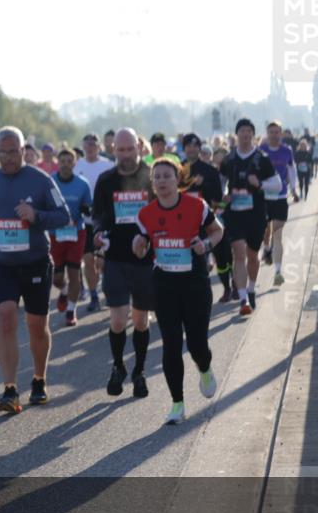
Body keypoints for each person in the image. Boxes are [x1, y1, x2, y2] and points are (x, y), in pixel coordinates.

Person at [0, 126, 70, 414]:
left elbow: (63, 215)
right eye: (2, 152)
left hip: (35, 262)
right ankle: (9, 389)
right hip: (0, 263)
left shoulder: (40, 179)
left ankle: (39, 379)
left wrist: (35, 215)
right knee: (5, 317)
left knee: (36, 325)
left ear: (23, 150)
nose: (8, 158)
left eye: (13, 152)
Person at [133, 158, 223, 424]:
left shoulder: (197, 206)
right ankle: (177, 404)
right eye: (156, 177)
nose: (161, 181)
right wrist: (138, 244)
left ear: (177, 178)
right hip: (164, 285)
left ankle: (204, 368)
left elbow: (218, 231)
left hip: (195, 283)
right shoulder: (146, 214)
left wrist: (205, 245)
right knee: (171, 345)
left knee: (197, 345)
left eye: (166, 176)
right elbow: (139, 249)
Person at [92, 128, 155, 399]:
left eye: (130, 149)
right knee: (118, 320)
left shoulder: (151, 178)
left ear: (139, 148)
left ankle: (139, 372)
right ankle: (118, 366)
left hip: (144, 259)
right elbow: (98, 216)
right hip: (116, 257)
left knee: (141, 319)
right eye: (121, 150)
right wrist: (97, 235)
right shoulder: (106, 180)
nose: (126, 155)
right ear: (113, 149)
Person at [219, 118, 280, 315]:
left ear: (253, 135)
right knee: (239, 253)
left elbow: (277, 185)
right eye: (242, 132)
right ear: (237, 135)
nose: (245, 135)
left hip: (256, 214)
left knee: (253, 256)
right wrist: (223, 197)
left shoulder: (261, 158)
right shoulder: (228, 159)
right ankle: (243, 299)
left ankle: (251, 288)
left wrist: (260, 183)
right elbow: (220, 184)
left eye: (248, 132)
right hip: (235, 214)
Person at [182, 133, 233, 302]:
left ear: (199, 148)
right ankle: (194, 294)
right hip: (184, 222)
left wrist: (204, 184)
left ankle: (227, 287)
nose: (191, 149)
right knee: (193, 259)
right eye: (188, 146)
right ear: (184, 149)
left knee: (222, 255)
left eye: (195, 146)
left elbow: (218, 197)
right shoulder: (178, 170)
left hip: (208, 220)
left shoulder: (210, 170)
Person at [50, 148, 93, 326]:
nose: (66, 165)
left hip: (77, 232)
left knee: (74, 272)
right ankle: (65, 290)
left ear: (75, 163)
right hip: (55, 233)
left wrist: (85, 209)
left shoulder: (82, 184)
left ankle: (71, 311)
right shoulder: (50, 182)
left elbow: (89, 207)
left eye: (69, 161)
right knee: (57, 278)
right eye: (63, 161)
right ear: (57, 163)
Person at [75, 133, 115, 312]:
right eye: (87, 144)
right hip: (85, 221)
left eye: (93, 144)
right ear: (83, 147)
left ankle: (108, 291)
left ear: (99, 146)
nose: (90, 147)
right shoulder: (77, 166)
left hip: (105, 220)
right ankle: (93, 296)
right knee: (88, 260)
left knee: (104, 263)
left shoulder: (108, 165)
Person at [258, 121, 298, 286]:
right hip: (264, 198)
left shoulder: (286, 151)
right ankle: (266, 249)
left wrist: (294, 189)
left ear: (280, 134)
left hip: (281, 197)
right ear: (267, 134)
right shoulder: (261, 152)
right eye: (271, 132)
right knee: (265, 232)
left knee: (278, 235)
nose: (274, 135)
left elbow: (292, 170)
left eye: (277, 132)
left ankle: (278, 272)